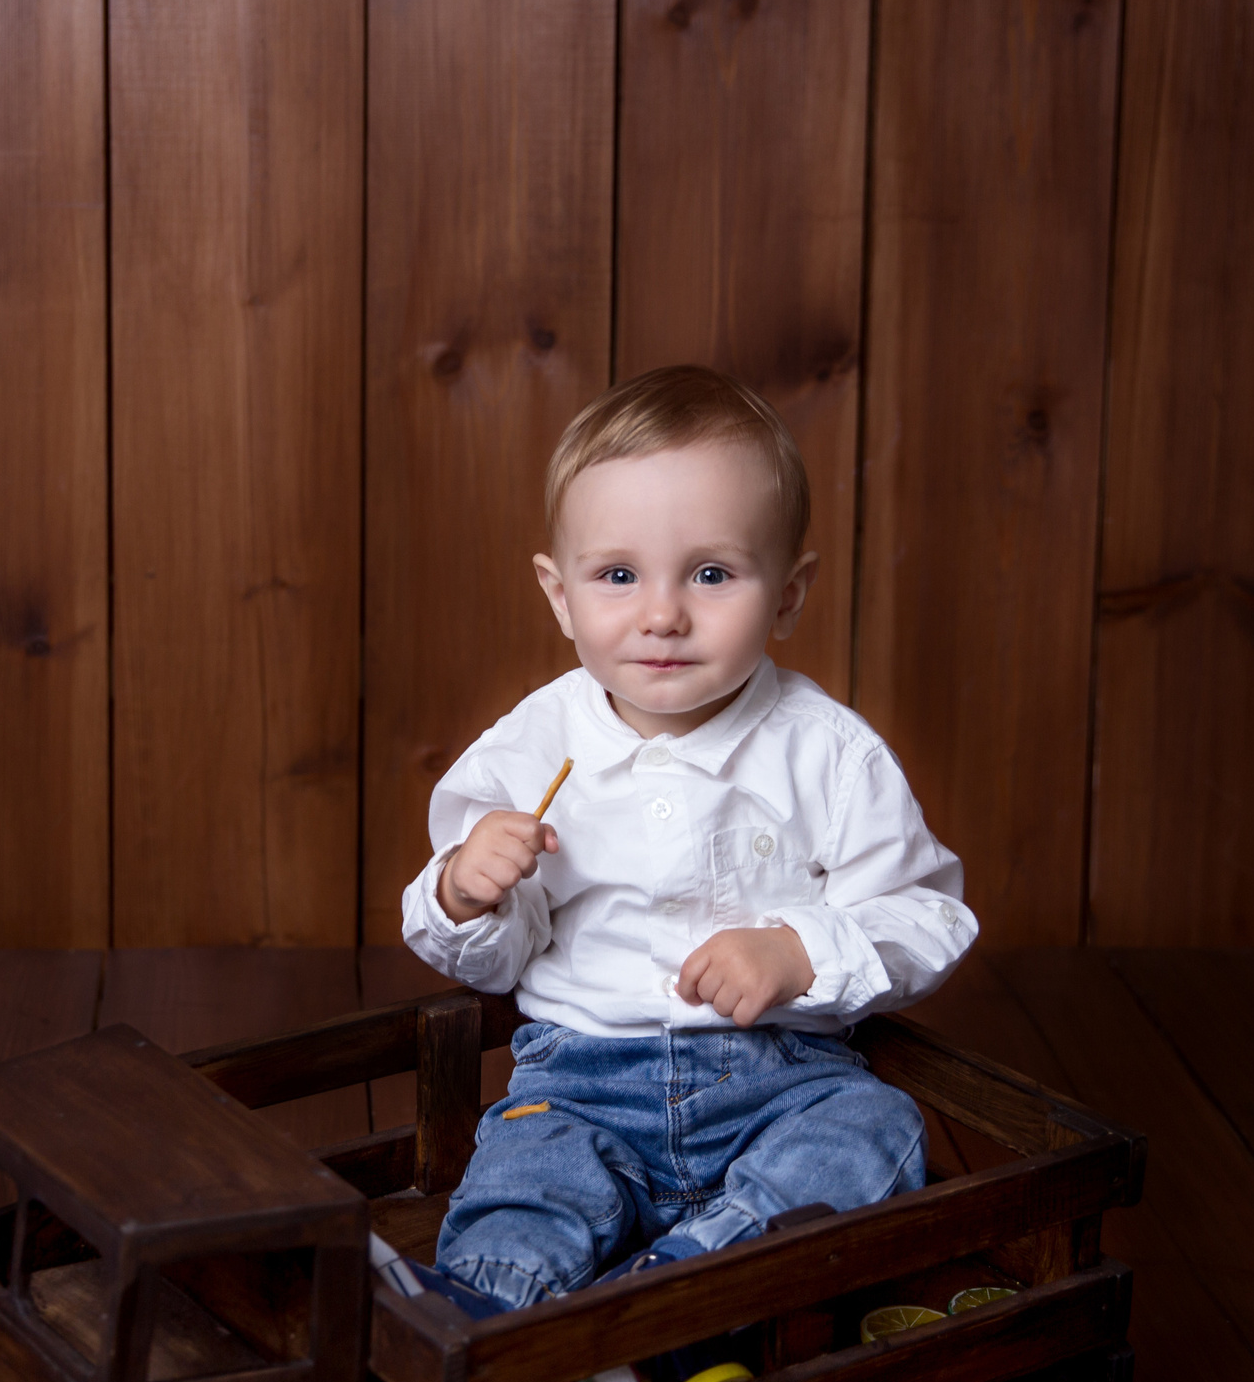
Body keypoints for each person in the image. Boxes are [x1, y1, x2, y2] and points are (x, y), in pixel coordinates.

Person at [400, 365, 978, 1316]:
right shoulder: (531, 748)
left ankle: (683, 1289)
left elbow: (929, 915)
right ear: (559, 594)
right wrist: (468, 891)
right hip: (579, 1079)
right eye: (618, 576)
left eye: (712, 574)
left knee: (873, 1129)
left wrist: (799, 951)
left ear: (788, 594)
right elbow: (495, 961)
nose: (663, 614)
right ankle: (487, 1313)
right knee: (529, 1178)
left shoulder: (827, 753)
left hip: (781, 1081)